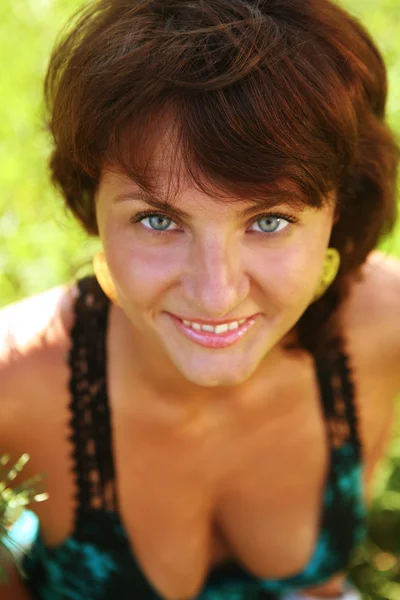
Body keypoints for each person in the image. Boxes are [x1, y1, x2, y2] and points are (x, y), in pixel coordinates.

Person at [1, 0, 399, 598]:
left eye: (269, 220)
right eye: (159, 220)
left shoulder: (383, 327)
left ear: (339, 209)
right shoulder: (13, 381)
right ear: (91, 203)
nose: (216, 293)